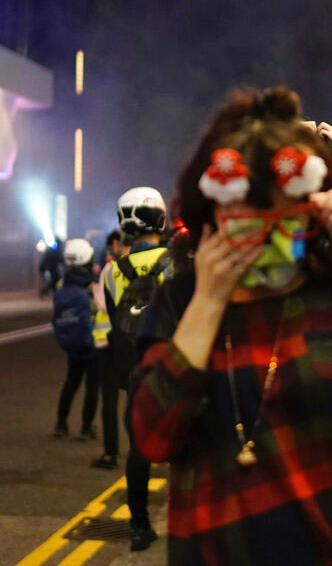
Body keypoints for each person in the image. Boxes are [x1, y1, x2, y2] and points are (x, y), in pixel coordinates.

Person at [129, 87, 332, 564]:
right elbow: (153, 436)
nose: (264, 229)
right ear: (212, 212)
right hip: (215, 547)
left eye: (283, 211)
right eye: (247, 210)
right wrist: (208, 299)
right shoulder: (181, 302)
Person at [91, 186, 170, 553]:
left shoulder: (109, 271)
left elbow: (108, 319)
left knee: (138, 450)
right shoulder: (176, 261)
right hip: (173, 369)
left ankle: (139, 527)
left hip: (135, 373)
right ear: (159, 217)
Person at [51, 238, 100, 440]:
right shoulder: (92, 284)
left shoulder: (62, 283)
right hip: (92, 341)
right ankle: (86, 427)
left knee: (71, 381)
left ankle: (61, 423)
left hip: (73, 342)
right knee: (92, 386)